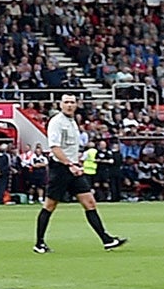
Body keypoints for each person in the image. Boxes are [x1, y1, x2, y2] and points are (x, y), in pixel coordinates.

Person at [36, 94, 126, 253]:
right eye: (66, 102)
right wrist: (70, 164)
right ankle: (39, 243)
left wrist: (76, 162)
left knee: (89, 202)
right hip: (61, 168)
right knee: (50, 205)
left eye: (72, 102)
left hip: (73, 167)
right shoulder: (56, 122)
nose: (69, 105)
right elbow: (55, 148)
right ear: (60, 104)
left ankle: (106, 240)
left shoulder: (72, 122)